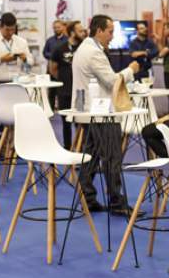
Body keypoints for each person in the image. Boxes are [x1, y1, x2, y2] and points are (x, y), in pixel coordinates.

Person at [72, 14, 139, 212]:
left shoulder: (85, 48)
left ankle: (88, 197)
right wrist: (130, 70)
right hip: (101, 112)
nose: (112, 36)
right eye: (110, 32)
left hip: (90, 110)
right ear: (99, 30)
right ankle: (116, 202)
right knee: (112, 156)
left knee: (91, 156)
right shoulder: (93, 52)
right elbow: (112, 81)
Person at [49, 21, 86, 149]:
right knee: (65, 122)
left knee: (80, 121)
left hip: (80, 92)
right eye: (80, 31)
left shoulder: (84, 48)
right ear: (72, 33)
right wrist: (64, 80)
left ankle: (81, 149)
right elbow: (53, 69)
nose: (83, 33)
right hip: (64, 91)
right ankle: (68, 148)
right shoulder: (59, 48)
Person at [42, 20, 67, 110]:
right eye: (55, 27)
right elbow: (45, 52)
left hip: (63, 70)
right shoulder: (50, 40)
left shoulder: (67, 40)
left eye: (58, 27)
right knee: (51, 92)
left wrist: (59, 56)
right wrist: (53, 56)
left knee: (63, 91)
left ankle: (63, 110)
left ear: (63, 27)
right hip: (51, 69)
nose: (56, 29)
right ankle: (51, 110)